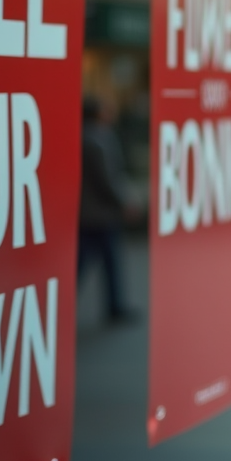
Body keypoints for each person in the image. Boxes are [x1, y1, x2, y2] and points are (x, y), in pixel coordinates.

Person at [79, 95, 138, 324]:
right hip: (100, 213)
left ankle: (113, 305)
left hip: (88, 213)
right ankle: (114, 307)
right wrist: (124, 203)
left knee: (88, 261)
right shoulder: (99, 140)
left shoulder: (84, 136)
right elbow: (107, 179)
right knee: (107, 263)